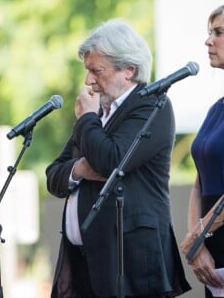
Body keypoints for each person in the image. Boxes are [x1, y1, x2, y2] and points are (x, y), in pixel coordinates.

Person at [46, 18, 191, 298]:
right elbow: (54, 175)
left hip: (130, 262)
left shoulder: (152, 105)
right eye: (87, 71)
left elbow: (112, 160)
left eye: (96, 71)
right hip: (85, 261)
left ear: (129, 70)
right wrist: (79, 168)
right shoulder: (98, 112)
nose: (88, 81)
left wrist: (87, 119)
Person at [180, 4, 224, 298]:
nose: (208, 41)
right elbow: (199, 181)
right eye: (209, 33)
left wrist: (198, 236)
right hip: (213, 251)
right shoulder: (215, 109)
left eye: (219, 33)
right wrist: (197, 244)